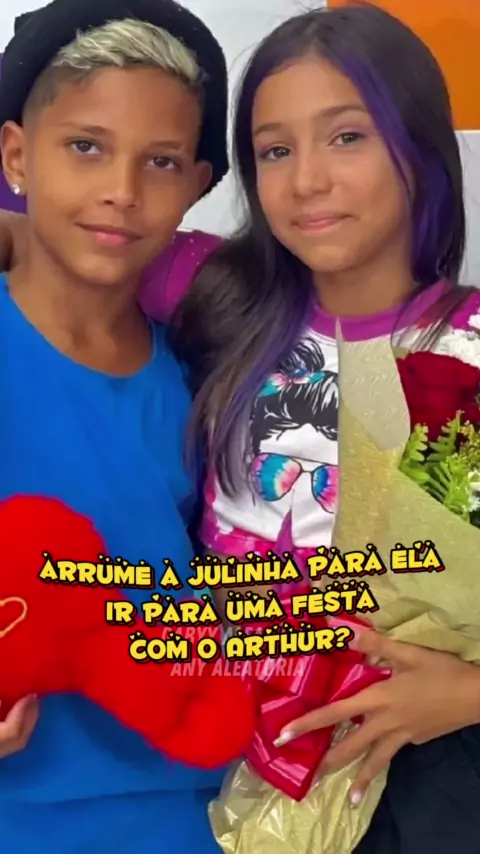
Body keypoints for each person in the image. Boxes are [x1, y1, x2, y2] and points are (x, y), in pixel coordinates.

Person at [2, 3, 480, 852]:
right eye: (274, 151)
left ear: (419, 145)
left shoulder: (466, 351)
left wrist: (470, 694)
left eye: (348, 137)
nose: (308, 181)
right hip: (225, 761)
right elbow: (74, 223)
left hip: (410, 764)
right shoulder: (220, 297)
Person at [0, 0, 249, 851]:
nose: (121, 190)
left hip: (202, 810)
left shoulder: (205, 374)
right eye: (86, 147)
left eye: (162, 161)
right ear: (17, 155)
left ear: (197, 184)